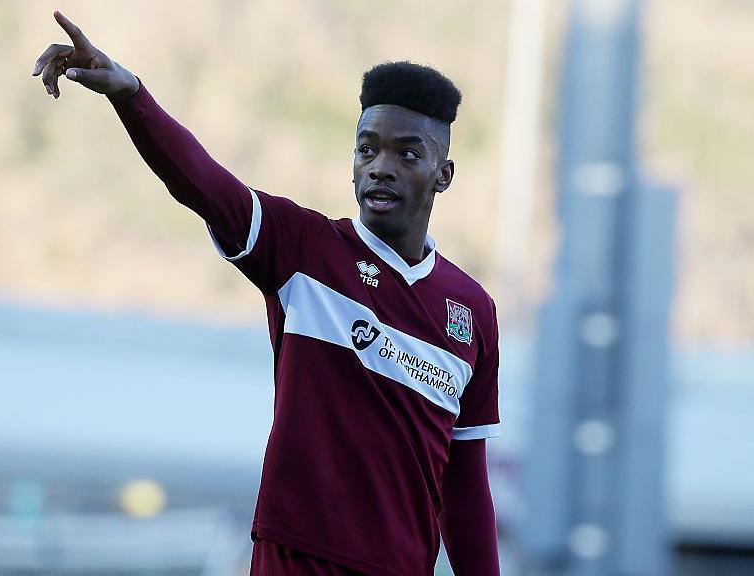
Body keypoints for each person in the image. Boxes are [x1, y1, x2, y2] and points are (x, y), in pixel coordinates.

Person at [33, 11, 501, 576]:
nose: (380, 168)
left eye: (406, 154)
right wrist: (130, 95)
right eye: (366, 149)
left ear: (442, 174)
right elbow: (204, 183)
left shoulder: (471, 312)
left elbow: (466, 487)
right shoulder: (303, 248)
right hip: (294, 558)